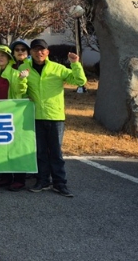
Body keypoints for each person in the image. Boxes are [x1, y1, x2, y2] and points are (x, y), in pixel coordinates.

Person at [25, 39, 86, 197]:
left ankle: (60, 183)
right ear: (31, 52)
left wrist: (75, 64)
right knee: (40, 152)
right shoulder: (24, 69)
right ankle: (43, 181)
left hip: (55, 116)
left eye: (42, 50)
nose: (39, 53)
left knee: (56, 152)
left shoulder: (57, 68)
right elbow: (21, 91)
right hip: (35, 116)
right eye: (36, 50)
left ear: (47, 52)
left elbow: (80, 81)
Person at [0, 45, 29, 191]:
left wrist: (22, 80)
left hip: (12, 115)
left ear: (9, 58)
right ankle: (6, 176)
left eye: (3, 55)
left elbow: (20, 91)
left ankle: (19, 179)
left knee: (16, 147)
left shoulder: (15, 73)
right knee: (1, 146)